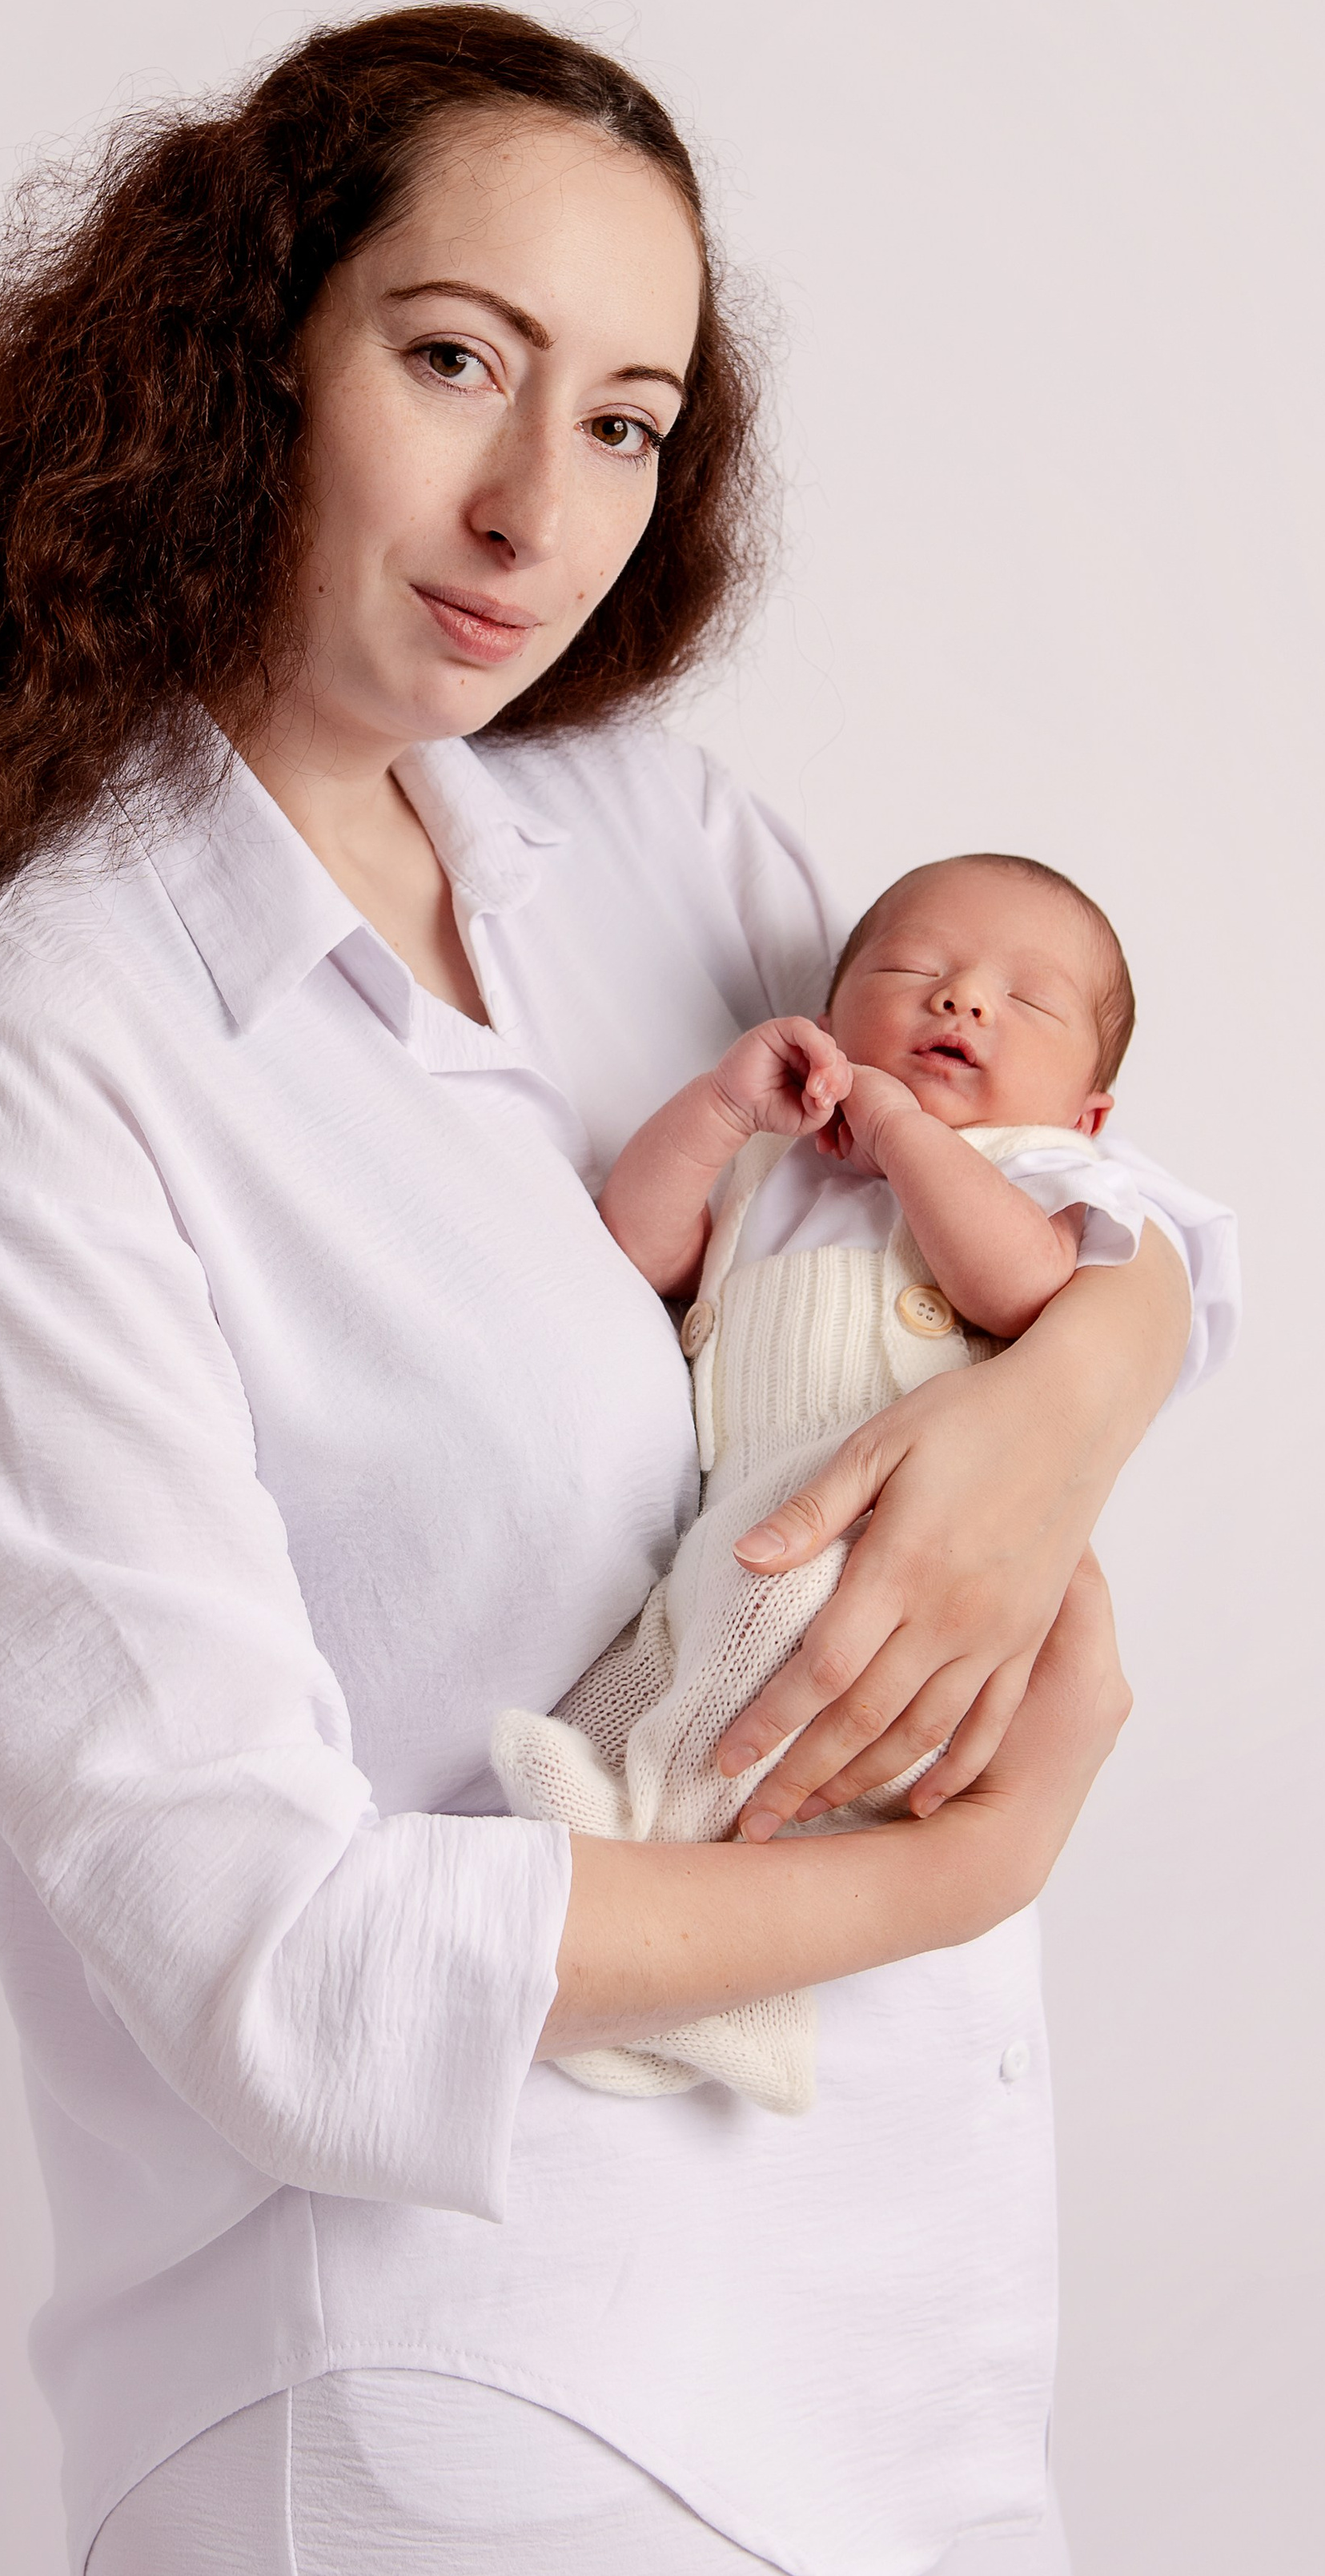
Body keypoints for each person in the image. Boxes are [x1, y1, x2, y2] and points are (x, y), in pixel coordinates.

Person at [0, 6, 1208, 2574]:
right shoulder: (49, 1047)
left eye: (627, 421)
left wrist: (1084, 1385)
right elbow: (273, 1972)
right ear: (249, 361)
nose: (530, 507)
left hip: (909, 2362)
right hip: (472, 2411)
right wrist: (949, 1870)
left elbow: (1073, 1172)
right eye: (457, 358)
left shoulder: (660, 843)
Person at [496, 851, 1239, 2115]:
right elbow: (639, 1247)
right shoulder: (774, 1167)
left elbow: (1018, 1287)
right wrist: (723, 1115)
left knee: (784, 1619)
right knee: (686, 1631)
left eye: (1025, 1001)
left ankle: (684, 1896)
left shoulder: (1050, 1176)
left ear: (1092, 1113)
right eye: (917, 975)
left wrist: (899, 1132)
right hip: (749, 1521)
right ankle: (643, 1846)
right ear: (832, 1021)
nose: (962, 1004)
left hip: (905, 1544)